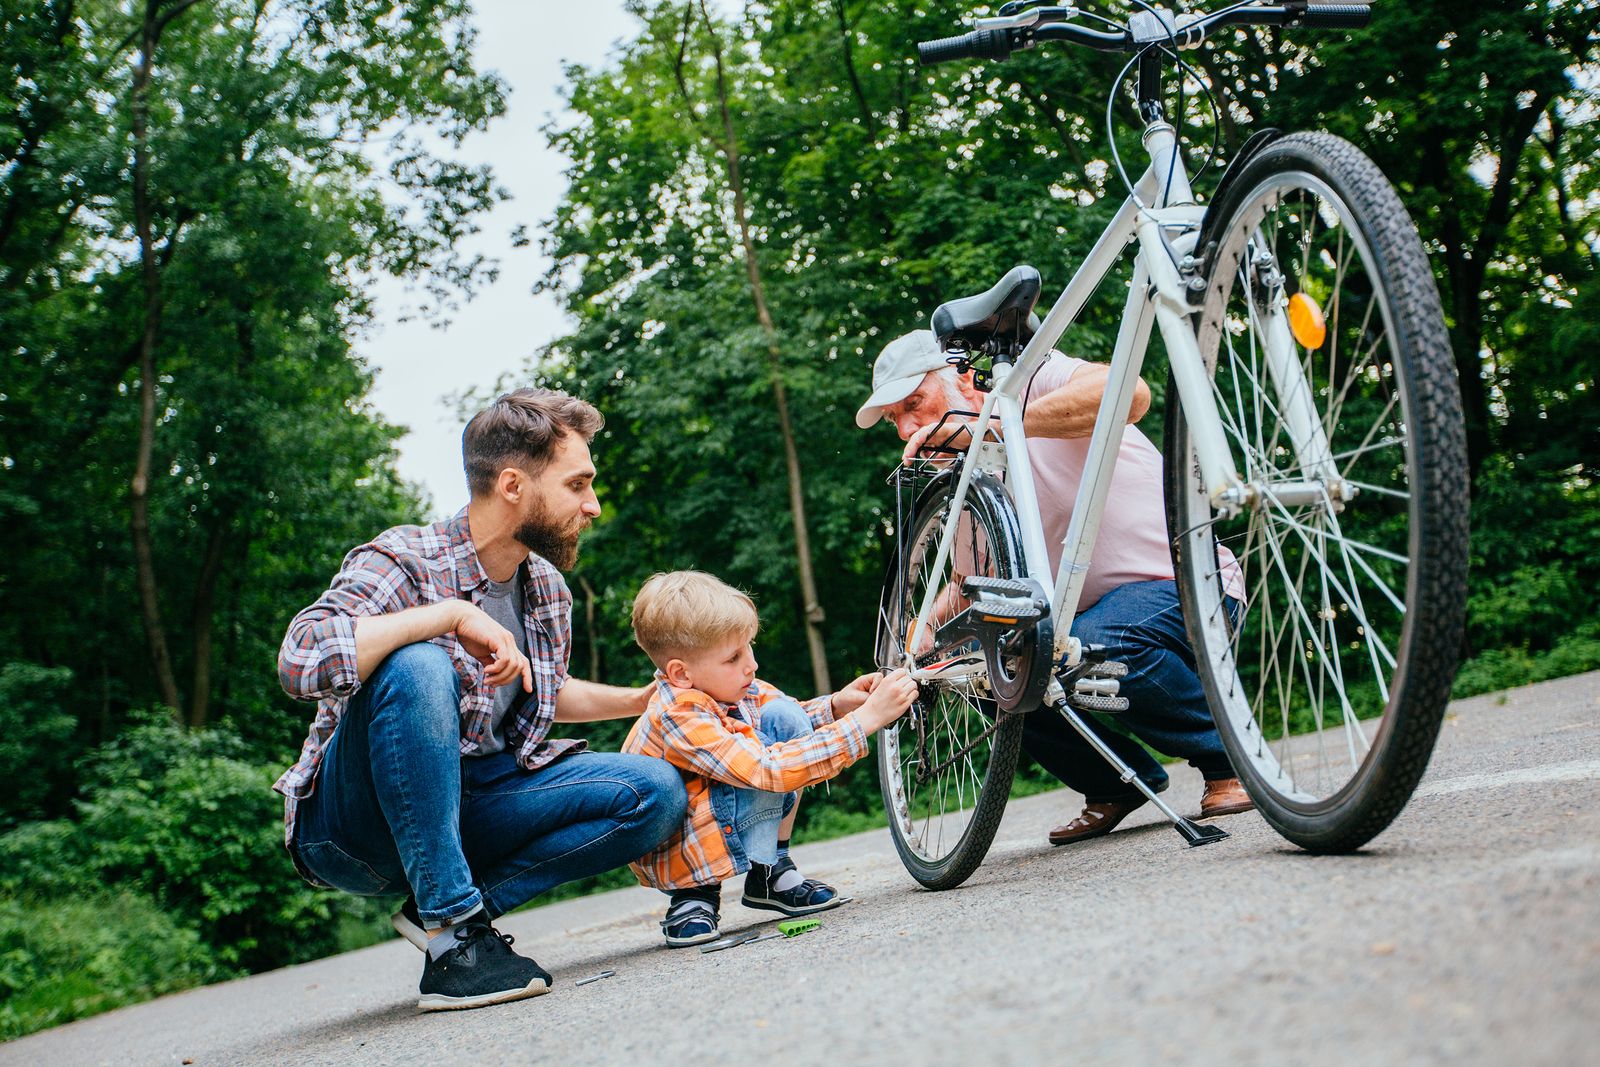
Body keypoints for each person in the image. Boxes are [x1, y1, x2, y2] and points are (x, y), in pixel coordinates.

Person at [275, 388, 688, 1012]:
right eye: (578, 485)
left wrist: (641, 698)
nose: (593, 505)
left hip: (469, 808)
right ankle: (457, 945)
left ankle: (444, 911)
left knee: (654, 793)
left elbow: (544, 693)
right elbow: (300, 657)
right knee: (418, 662)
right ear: (514, 485)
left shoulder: (545, 587)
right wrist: (447, 615)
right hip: (352, 832)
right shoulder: (404, 558)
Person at [856, 330, 1253, 846]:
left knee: (1090, 638)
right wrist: (924, 632)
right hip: (1091, 624)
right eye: (895, 419)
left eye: (915, 403)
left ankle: (1230, 759)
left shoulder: (1028, 382)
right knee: (978, 665)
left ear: (959, 379)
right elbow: (968, 586)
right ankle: (1110, 785)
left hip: (1188, 588)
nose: (909, 426)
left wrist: (994, 427)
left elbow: (1129, 393)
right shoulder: (968, 488)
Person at [622, 570, 918, 947]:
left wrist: (839, 706)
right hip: (682, 847)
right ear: (681, 673)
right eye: (733, 657)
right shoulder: (677, 714)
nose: (752, 664)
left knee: (786, 716)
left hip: (725, 813)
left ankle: (768, 871)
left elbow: (790, 722)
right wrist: (867, 720)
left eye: (749, 647)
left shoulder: (734, 687)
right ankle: (694, 895)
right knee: (764, 767)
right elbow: (767, 768)